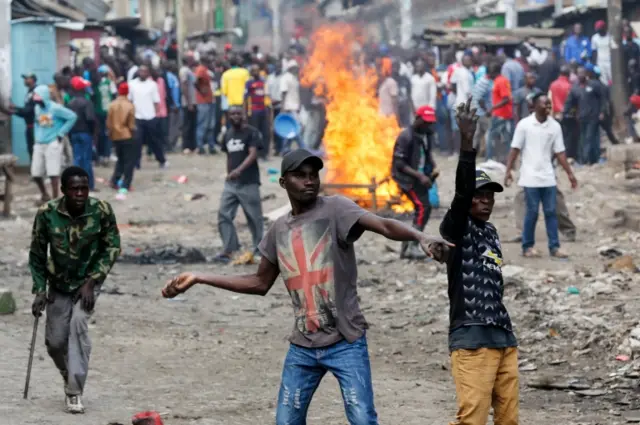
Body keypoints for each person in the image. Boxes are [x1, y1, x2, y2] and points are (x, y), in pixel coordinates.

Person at [162, 148, 451, 425]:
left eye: (313, 174)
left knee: (363, 418)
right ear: (283, 181)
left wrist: (419, 236)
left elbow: (384, 225)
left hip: (345, 342)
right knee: (287, 421)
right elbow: (259, 282)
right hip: (303, 347)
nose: (310, 180)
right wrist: (200, 277)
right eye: (300, 175)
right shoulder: (278, 230)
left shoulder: (336, 208)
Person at [433, 99, 519, 425]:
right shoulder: (456, 227)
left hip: (503, 338)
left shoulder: (492, 232)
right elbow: (461, 190)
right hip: (471, 341)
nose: (485, 202)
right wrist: (467, 142)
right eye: (479, 196)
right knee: (473, 419)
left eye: (490, 196)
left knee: (509, 420)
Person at [29, 166, 121, 414]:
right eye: (74, 189)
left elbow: (112, 246)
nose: (80, 193)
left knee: (78, 327)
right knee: (56, 342)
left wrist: (92, 280)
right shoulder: (47, 214)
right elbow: (37, 255)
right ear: (64, 191)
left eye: (84, 188)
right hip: (58, 282)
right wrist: (39, 289)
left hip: (87, 283)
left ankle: (74, 392)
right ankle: (69, 374)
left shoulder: (101, 210)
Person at [505, 92, 577, 258]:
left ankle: (554, 247)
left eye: (549, 105)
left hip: (548, 176)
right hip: (529, 177)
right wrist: (508, 170)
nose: (548, 107)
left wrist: (570, 175)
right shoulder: (524, 125)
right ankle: (527, 247)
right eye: (544, 104)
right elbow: (515, 149)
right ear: (534, 106)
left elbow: (560, 153)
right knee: (532, 213)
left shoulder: (555, 127)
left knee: (551, 212)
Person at [213, 106, 264, 263]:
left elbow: (253, 154)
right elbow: (229, 156)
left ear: (244, 115)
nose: (235, 116)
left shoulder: (252, 133)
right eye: (232, 114)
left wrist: (238, 171)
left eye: (238, 114)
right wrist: (229, 174)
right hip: (231, 184)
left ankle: (260, 249)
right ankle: (230, 248)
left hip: (249, 182)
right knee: (223, 214)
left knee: (254, 218)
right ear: (228, 116)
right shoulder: (227, 135)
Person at [391, 105, 438, 259]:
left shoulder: (427, 134)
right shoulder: (406, 136)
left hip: (420, 177)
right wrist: (420, 176)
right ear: (417, 119)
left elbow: (427, 153)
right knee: (423, 207)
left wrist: (432, 166)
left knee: (424, 208)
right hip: (406, 179)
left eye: (430, 122)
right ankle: (412, 246)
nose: (428, 125)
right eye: (425, 122)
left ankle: (407, 248)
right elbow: (400, 164)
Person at [31, 85, 78, 201]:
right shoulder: (37, 108)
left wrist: (61, 133)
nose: (34, 98)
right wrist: (36, 136)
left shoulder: (55, 108)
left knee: (53, 173)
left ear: (44, 96)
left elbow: (72, 117)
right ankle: (44, 194)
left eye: (37, 95)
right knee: (35, 173)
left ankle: (55, 199)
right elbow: (37, 123)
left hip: (52, 142)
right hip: (39, 143)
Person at [563, 65, 606, 165]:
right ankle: (588, 158)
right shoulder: (575, 89)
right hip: (581, 117)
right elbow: (569, 102)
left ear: (586, 74)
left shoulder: (594, 85)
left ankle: (586, 160)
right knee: (583, 138)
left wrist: (602, 111)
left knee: (590, 137)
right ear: (577, 75)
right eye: (579, 73)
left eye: (583, 73)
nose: (581, 75)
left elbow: (603, 99)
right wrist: (564, 112)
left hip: (593, 116)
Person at [128, 65, 167, 168]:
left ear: (148, 73)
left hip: (150, 116)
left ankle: (161, 160)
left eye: (145, 72)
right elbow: (130, 101)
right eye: (141, 71)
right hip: (137, 117)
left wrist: (156, 115)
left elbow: (156, 101)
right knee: (137, 141)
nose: (143, 73)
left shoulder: (152, 85)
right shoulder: (132, 84)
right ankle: (136, 163)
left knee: (155, 141)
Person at [67, 77, 96, 191]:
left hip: (74, 133)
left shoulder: (70, 103)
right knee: (87, 160)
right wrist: (93, 132)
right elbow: (90, 119)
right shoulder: (87, 102)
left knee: (77, 159)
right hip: (85, 133)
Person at [107, 82, 137, 193]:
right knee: (129, 161)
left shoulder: (112, 105)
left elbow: (109, 123)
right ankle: (126, 184)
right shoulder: (130, 105)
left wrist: (111, 133)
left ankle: (114, 181)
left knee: (120, 160)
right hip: (126, 135)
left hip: (115, 136)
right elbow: (131, 125)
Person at [549, 66, 578, 160]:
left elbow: (550, 100)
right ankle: (567, 157)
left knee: (557, 137)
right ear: (568, 75)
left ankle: (556, 158)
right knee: (568, 137)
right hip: (568, 115)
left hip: (556, 114)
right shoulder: (570, 86)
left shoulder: (552, 85)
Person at [487, 66, 513, 162]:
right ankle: (506, 160)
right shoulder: (501, 80)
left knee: (491, 137)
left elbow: (506, 98)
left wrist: (492, 108)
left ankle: (489, 159)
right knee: (505, 138)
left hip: (500, 114)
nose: (488, 76)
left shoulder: (500, 81)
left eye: (489, 73)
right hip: (503, 114)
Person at [449, 54, 475, 152]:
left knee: (460, 128)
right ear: (462, 61)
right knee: (460, 129)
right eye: (466, 60)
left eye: (469, 60)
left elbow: (452, 83)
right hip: (464, 104)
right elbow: (468, 92)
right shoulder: (464, 73)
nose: (468, 62)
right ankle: (458, 150)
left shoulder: (465, 71)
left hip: (461, 103)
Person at [470, 62, 497, 153]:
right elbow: (479, 99)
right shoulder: (484, 82)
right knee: (488, 132)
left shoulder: (486, 80)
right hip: (481, 111)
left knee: (477, 134)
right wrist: (487, 111)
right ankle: (489, 153)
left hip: (479, 110)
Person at [245, 64, 270, 159]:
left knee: (266, 133)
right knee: (255, 133)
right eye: (254, 70)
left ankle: (264, 154)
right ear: (251, 72)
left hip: (263, 111)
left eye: (257, 70)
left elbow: (267, 97)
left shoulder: (264, 82)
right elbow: (245, 99)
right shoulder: (249, 83)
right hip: (253, 111)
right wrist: (245, 113)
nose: (256, 72)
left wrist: (268, 110)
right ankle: (255, 154)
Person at [95, 64, 117, 166]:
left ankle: (100, 155)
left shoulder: (95, 84)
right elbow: (114, 95)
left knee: (100, 134)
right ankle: (107, 155)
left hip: (98, 112)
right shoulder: (110, 83)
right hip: (108, 112)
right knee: (107, 133)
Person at [195, 57, 217, 155]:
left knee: (210, 125)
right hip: (203, 101)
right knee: (203, 125)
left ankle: (211, 146)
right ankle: (200, 146)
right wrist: (201, 90)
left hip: (209, 100)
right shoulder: (201, 69)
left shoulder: (206, 70)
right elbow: (196, 81)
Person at [280, 60, 303, 152]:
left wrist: (299, 106)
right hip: (289, 107)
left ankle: (285, 149)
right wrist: (283, 108)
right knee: (295, 129)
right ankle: (302, 147)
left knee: (290, 129)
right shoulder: (285, 78)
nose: (296, 69)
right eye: (295, 68)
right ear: (290, 68)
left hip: (295, 107)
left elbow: (296, 94)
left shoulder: (294, 78)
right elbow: (283, 93)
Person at [180, 55, 197, 154]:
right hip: (188, 102)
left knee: (192, 124)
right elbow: (184, 86)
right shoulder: (184, 71)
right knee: (187, 124)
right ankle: (185, 146)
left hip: (193, 101)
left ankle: (192, 145)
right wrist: (189, 102)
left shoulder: (190, 70)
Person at [392, 60, 413, 128]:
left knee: (406, 127)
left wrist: (412, 107)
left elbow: (409, 94)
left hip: (405, 107)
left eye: (397, 66)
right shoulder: (390, 80)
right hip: (394, 108)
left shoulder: (405, 79)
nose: (396, 68)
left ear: (399, 67)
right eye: (394, 67)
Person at [591, 20, 612, 84]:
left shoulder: (610, 36)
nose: (598, 30)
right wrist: (595, 64)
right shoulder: (594, 38)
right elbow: (594, 51)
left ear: (604, 28)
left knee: (612, 79)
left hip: (610, 61)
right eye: (597, 29)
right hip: (600, 62)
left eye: (599, 29)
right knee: (604, 81)